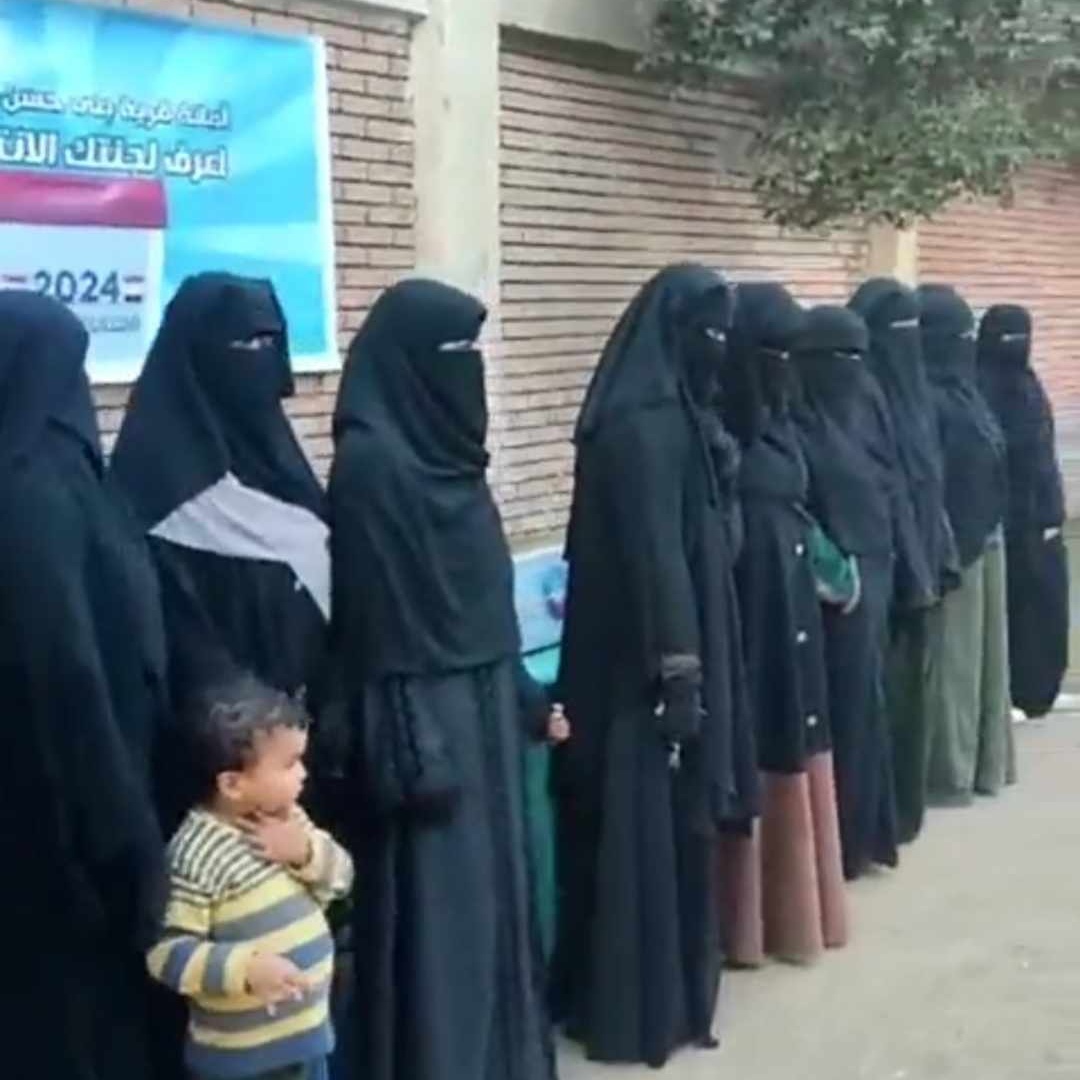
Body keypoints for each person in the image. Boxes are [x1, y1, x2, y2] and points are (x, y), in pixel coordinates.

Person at [329, 279, 565, 1080]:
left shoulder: (456, 463)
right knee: (440, 916)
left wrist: (528, 701)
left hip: (487, 708)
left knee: (498, 902)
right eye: (453, 351)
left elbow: (488, 603)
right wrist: (411, 738)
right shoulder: (371, 468)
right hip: (421, 723)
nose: (469, 368)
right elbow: (372, 626)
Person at [552, 263, 756, 1067]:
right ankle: (635, 1010)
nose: (718, 348)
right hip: (637, 672)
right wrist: (679, 671)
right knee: (641, 831)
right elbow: (656, 556)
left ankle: (660, 995)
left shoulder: (678, 417)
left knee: (665, 833)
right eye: (707, 333)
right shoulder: (643, 426)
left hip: (661, 656)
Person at [0, 291, 168, 1079]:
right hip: (68, 826)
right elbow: (68, 672)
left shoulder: (54, 480)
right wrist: (123, 835)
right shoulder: (36, 495)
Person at [110, 273, 331, 827]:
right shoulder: (152, 487)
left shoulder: (278, 458)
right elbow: (179, 646)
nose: (259, 358)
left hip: (311, 747)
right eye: (242, 343)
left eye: (269, 342)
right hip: (227, 772)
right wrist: (253, 749)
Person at [717, 282, 848, 967]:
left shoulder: (778, 425)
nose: (786, 368)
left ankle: (795, 917)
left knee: (794, 735)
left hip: (791, 616)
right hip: (745, 624)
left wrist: (832, 571)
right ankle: (744, 928)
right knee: (757, 742)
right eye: (774, 353)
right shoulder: (718, 437)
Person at [148, 675, 353, 1080]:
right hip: (244, 1063)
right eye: (290, 763)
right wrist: (245, 969)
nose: (303, 774)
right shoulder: (197, 853)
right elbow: (166, 954)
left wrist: (305, 853)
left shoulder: (290, 820)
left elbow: (342, 880)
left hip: (309, 1041)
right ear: (232, 784)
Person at [791, 306, 905, 881]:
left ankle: (861, 838)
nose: (853, 369)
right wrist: (836, 571)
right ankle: (831, 846)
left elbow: (889, 480)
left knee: (865, 710)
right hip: (829, 592)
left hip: (874, 574)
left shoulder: (865, 404)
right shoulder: (795, 420)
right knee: (836, 712)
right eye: (842, 358)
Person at [849, 278, 955, 843]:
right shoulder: (858, 393)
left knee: (912, 697)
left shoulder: (913, 393)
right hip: (882, 571)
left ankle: (905, 810)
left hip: (921, 565)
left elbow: (927, 480)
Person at [917, 285, 1013, 803]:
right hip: (953, 543)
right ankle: (950, 772)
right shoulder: (922, 399)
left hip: (986, 537)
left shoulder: (963, 391)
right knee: (955, 664)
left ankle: (986, 763)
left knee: (986, 664)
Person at [978, 304, 1068, 719]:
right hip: (1008, 520)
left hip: (1043, 517)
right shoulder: (982, 387)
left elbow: (1042, 454)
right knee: (1013, 608)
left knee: (1046, 605)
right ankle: (1012, 691)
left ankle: (1040, 691)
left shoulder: (1028, 382)